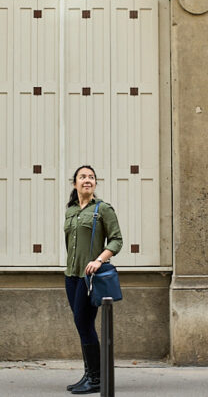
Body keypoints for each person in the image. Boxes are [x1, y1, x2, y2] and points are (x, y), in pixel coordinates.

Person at [63, 165, 123, 394]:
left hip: (90, 277)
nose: (87, 180)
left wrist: (99, 260)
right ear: (75, 183)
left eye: (91, 177)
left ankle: (96, 377)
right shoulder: (70, 211)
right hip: (71, 276)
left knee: (84, 323)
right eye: (82, 177)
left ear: (95, 183)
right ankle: (89, 374)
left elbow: (117, 240)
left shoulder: (103, 209)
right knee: (82, 324)